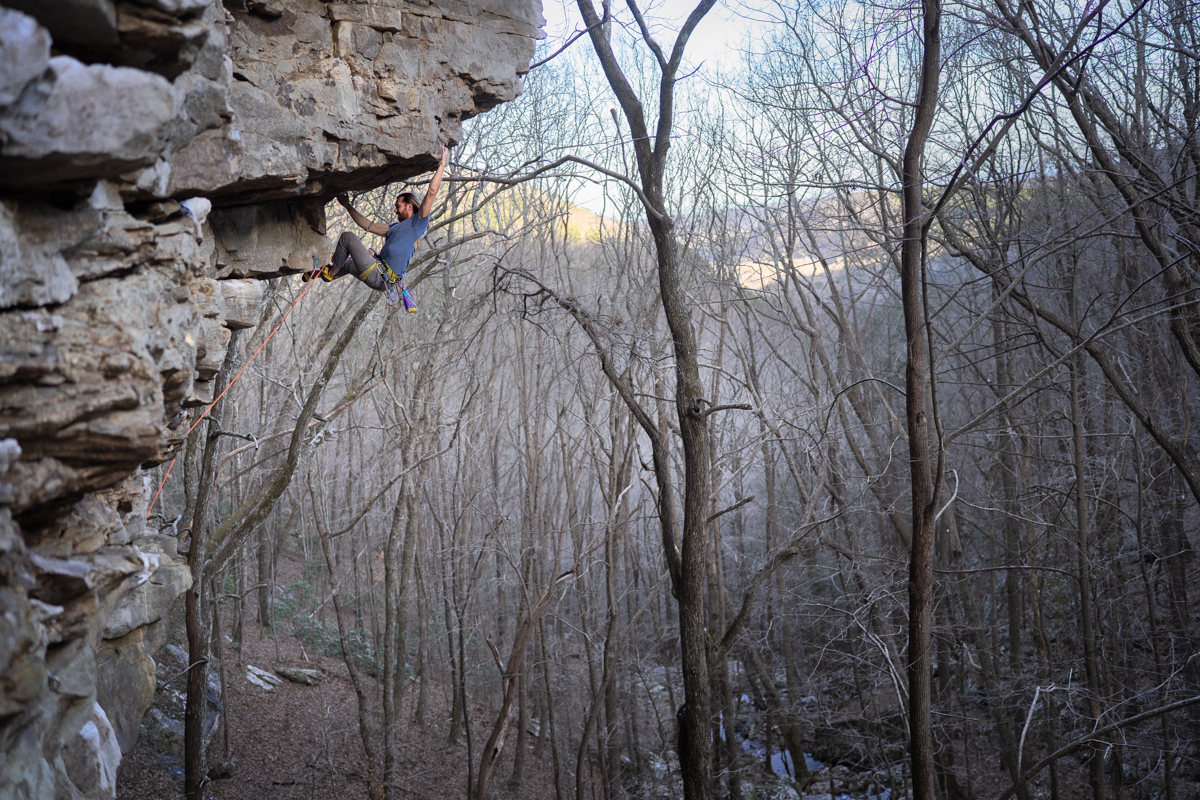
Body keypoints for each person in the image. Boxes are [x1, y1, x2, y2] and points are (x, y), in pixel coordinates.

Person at [310, 146, 449, 291]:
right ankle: (316, 273)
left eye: (398, 206)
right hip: (380, 275)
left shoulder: (418, 223)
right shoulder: (395, 228)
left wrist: (442, 164)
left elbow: (432, 192)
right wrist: (347, 205)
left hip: (380, 275)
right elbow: (368, 225)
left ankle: (331, 273)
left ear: (409, 207)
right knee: (348, 263)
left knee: (347, 238)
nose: (395, 210)